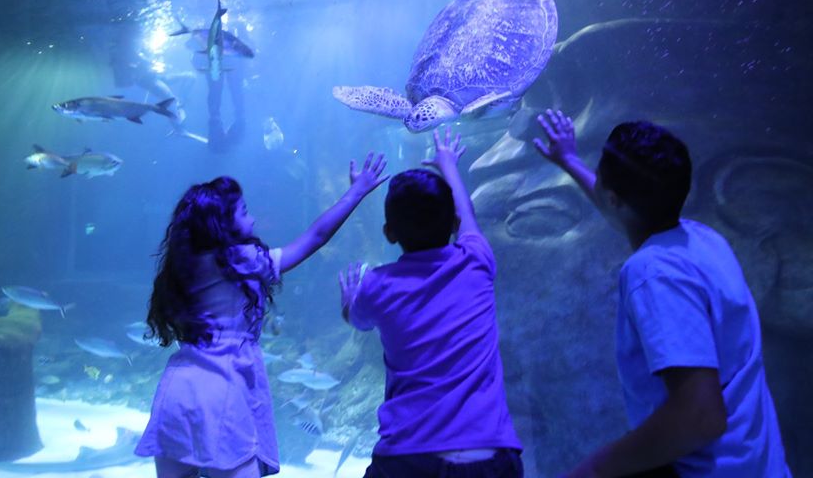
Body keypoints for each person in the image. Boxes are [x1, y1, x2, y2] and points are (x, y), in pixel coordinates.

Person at [533, 109, 792, 478]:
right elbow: (623, 212)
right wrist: (569, 160)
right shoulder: (699, 240)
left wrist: (593, 469)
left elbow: (700, 415)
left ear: (613, 196)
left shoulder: (653, 274)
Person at [135, 152, 388, 478]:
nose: (252, 219)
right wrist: (356, 192)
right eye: (244, 211)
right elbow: (315, 238)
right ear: (223, 224)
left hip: (179, 390)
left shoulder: (182, 267)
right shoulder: (242, 260)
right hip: (224, 388)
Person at [338, 128, 524, 478]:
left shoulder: (377, 285)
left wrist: (350, 299)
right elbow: (466, 211)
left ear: (389, 233)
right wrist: (449, 164)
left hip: (408, 456)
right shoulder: (476, 261)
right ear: (453, 225)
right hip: (488, 453)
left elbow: (356, 318)